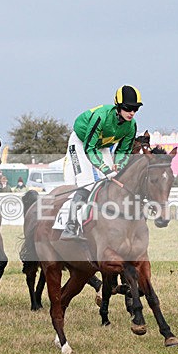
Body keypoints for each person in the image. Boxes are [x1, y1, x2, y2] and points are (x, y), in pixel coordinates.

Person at [61, 85, 142, 240]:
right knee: (87, 183)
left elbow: (123, 150)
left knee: (111, 181)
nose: (132, 113)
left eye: (135, 109)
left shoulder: (131, 125)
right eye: (128, 108)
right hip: (81, 143)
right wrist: (105, 168)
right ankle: (70, 226)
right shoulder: (101, 116)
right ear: (118, 106)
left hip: (101, 145)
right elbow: (89, 147)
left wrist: (118, 166)